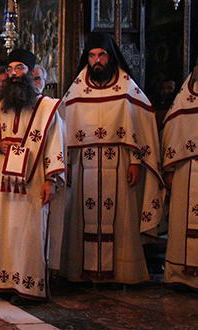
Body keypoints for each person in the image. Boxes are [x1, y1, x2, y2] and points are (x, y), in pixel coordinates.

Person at [59, 32, 164, 284]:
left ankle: (123, 272)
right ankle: (78, 270)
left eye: (102, 55)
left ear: (110, 56)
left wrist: (136, 162)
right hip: (82, 164)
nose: (97, 60)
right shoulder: (77, 89)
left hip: (120, 164)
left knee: (121, 220)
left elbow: (141, 124)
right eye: (92, 55)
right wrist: (66, 164)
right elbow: (63, 128)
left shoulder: (127, 87)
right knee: (79, 217)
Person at [0, 49, 65, 304]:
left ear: (30, 72)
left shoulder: (47, 107)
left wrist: (51, 180)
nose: (14, 74)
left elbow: (55, 143)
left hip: (33, 178)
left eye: (20, 68)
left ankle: (27, 286)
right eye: (10, 69)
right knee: (0, 228)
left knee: (28, 231)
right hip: (2, 178)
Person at [161, 60, 198, 290]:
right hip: (187, 170)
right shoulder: (185, 99)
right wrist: (169, 170)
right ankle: (180, 275)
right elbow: (172, 133)